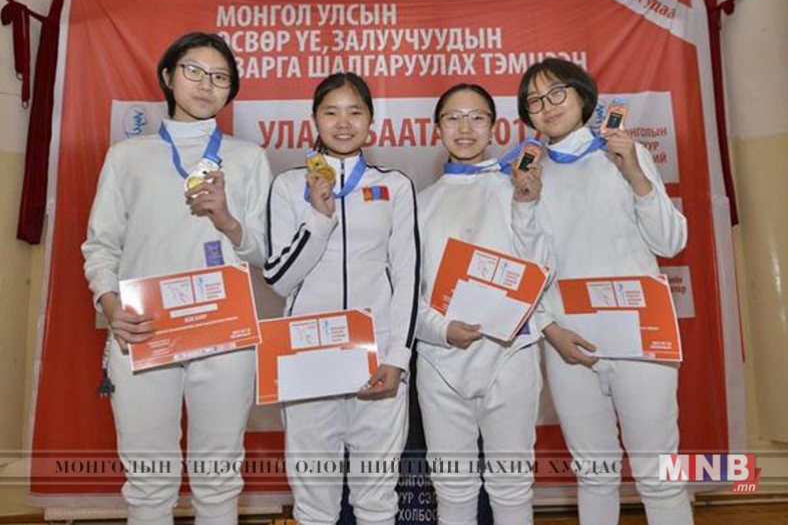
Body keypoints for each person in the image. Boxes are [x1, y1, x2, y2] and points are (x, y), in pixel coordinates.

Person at [82, 31, 272, 525]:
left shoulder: (248, 158)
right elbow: (100, 246)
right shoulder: (127, 156)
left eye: (220, 77)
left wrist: (226, 218)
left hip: (225, 336)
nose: (206, 84)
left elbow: (264, 251)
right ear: (168, 76)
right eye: (194, 71)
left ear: (231, 90)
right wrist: (110, 306)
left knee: (219, 480)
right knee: (148, 484)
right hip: (143, 332)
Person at [516, 58, 692, 525]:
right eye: (534, 101)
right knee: (594, 475)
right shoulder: (529, 174)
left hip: (641, 337)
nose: (547, 106)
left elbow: (671, 241)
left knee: (660, 476)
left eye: (557, 93)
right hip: (570, 344)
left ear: (582, 95)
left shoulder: (623, 154)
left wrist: (634, 172)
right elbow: (530, 268)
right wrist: (549, 329)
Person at [263, 72, 420, 525]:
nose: (344, 122)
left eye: (355, 111)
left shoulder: (395, 185)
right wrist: (318, 217)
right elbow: (279, 279)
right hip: (308, 356)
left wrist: (398, 357)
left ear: (371, 120)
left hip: (378, 359)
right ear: (314, 119)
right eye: (331, 112)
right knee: (314, 505)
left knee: (377, 501)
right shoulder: (288, 185)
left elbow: (408, 275)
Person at [415, 83, 553, 525]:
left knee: (512, 487)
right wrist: (441, 330)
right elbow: (405, 294)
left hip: (510, 356)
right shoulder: (417, 204)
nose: (465, 128)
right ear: (437, 128)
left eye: (477, 118)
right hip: (441, 361)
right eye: (453, 118)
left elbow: (542, 271)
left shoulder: (519, 188)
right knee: (452, 490)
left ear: (494, 127)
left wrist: (527, 206)